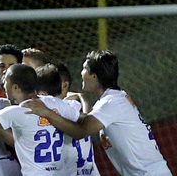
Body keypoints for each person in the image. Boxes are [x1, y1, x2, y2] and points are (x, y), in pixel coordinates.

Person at [24, 50, 172, 176]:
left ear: (94, 76)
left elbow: (81, 131)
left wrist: (48, 113)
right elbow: (86, 119)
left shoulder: (111, 102)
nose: (81, 73)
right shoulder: (113, 99)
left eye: (84, 69)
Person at [34, 63, 100, 176]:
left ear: (41, 94)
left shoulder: (39, 111)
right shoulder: (74, 106)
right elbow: (88, 118)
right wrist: (82, 97)